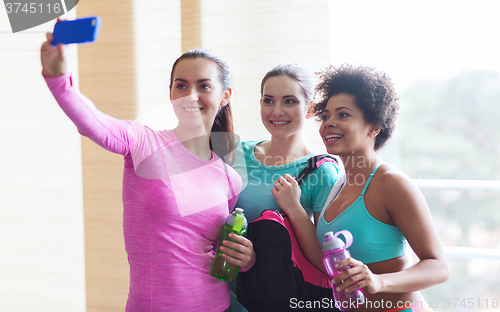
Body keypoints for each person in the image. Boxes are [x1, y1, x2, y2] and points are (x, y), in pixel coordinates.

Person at [40, 30, 255, 312]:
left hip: (217, 306)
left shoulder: (229, 178)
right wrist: (59, 80)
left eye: (204, 86)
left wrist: (246, 259)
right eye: (181, 86)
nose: (190, 95)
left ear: (224, 96)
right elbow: (93, 124)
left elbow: (218, 251)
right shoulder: (144, 142)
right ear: (170, 93)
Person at [272, 64, 449, 312]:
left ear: (374, 126)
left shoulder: (391, 183)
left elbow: (438, 266)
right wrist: (294, 208)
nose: (328, 124)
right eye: (325, 116)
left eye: (343, 115)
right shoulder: (337, 184)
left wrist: (379, 281)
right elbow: (326, 263)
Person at [230, 64, 342, 311]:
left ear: (310, 108)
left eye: (289, 101)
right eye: (268, 100)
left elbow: (327, 261)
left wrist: (294, 208)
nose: (277, 111)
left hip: (276, 303)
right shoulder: (235, 153)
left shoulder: (321, 172)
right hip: (220, 300)